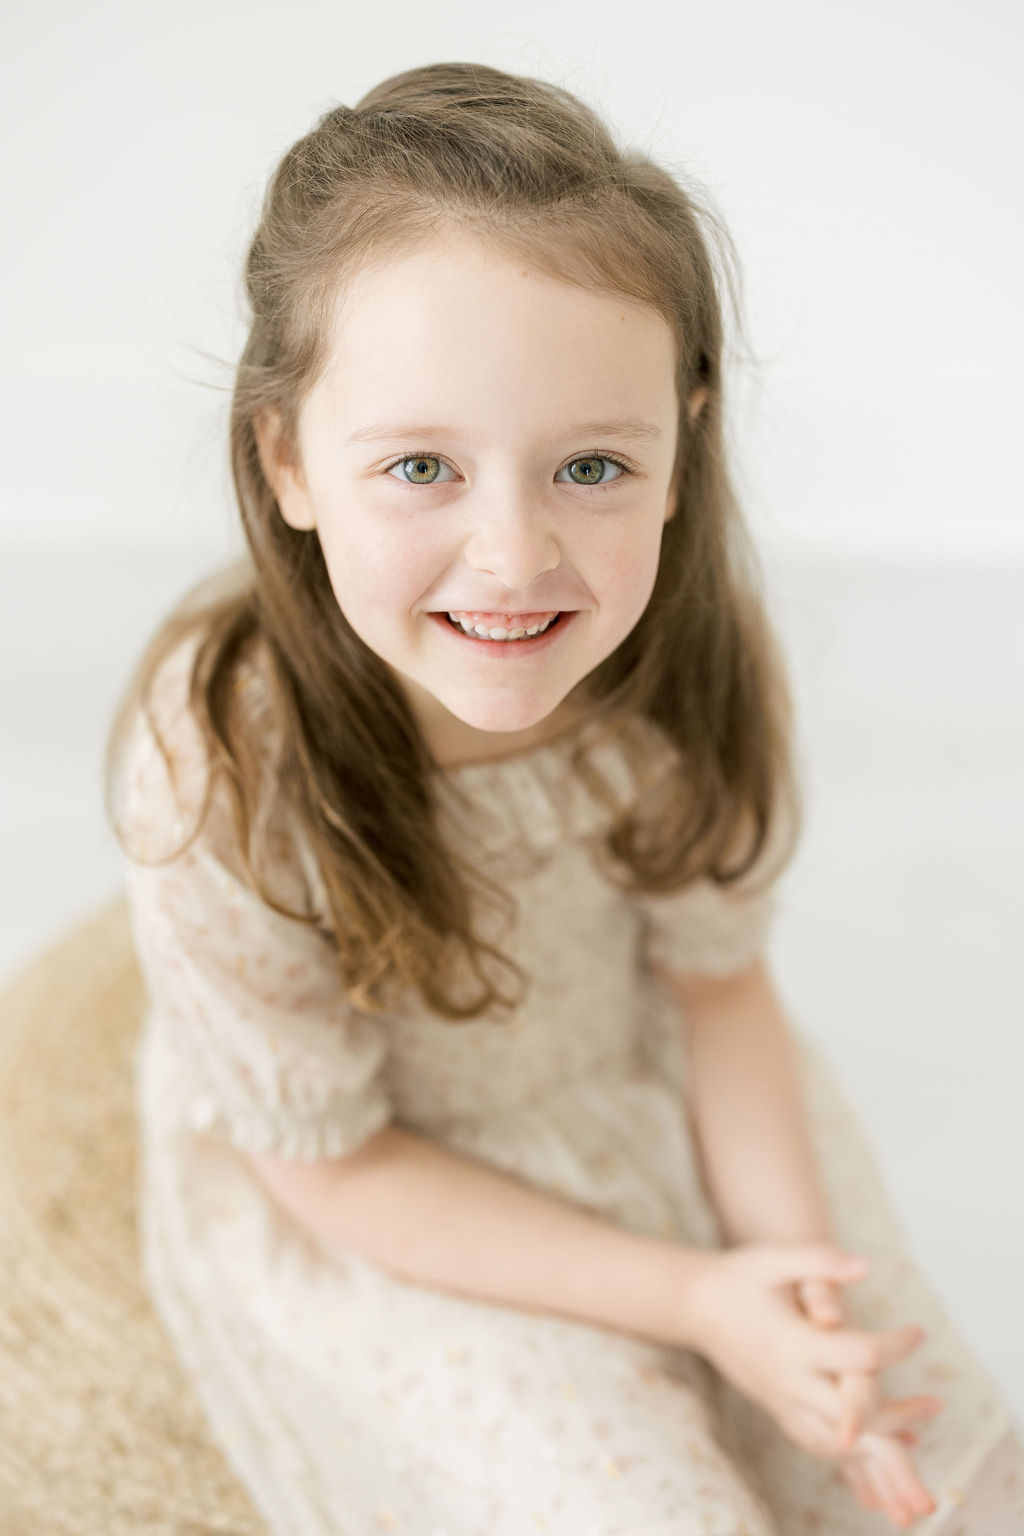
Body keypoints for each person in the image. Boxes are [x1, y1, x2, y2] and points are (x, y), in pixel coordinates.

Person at [105, 61, 1024, 1535]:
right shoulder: (225, 767)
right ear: (286, 458)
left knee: (940, 1475)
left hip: (641, 1088)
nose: (514, 557)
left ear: (681, 450)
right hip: (390, 1197)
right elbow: (332, 1176)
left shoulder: (686, 678)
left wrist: (789, 1290)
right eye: (421, 466)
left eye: (591, 464)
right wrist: (689, 1301)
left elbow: (719, 998)